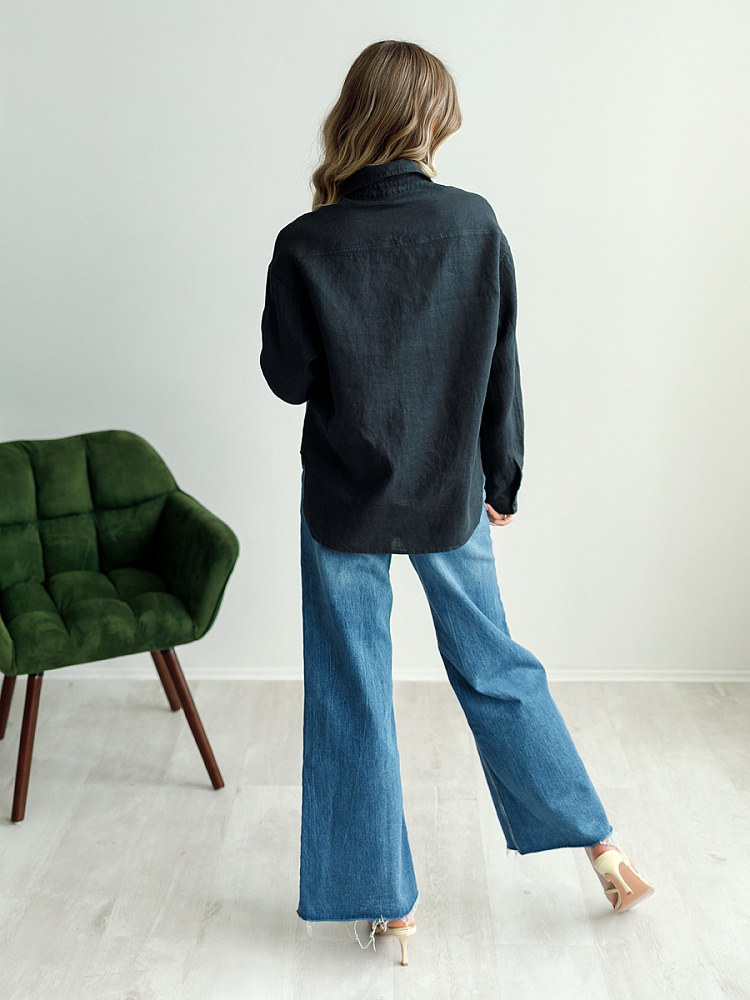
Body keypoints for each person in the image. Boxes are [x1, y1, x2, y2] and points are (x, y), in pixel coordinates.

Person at [259, 39, 654, 967]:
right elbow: (499, 364)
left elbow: (288, 379)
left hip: (344, 499)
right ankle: (603, 848)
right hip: (450, 488)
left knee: (351, 690)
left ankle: (386, 904)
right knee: (496, 664)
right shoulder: (473, 223)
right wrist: (501, 477)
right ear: (428, 121)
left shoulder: (306, 241)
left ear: (354, 115)